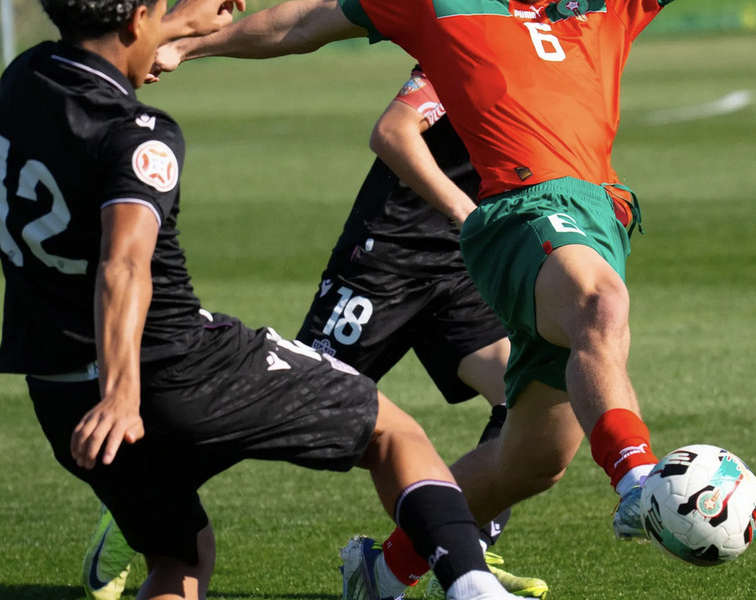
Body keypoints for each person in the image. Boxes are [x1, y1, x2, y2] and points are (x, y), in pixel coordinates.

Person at [0, 1, 523, 599]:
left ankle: (455, 551)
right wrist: (121, 392)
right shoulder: (142, 139)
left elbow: (128, 35)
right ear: (137, 19)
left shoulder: (23, 78)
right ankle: (467, 584)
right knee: (391, 432)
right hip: (168, 369)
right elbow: (125, 265)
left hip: (58, 391)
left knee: (182, 561)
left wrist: (186, 25)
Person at [151, 0, 677, 596]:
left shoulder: (600, 10)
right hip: (509, 217)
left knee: (534, 461)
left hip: (586, 222)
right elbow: (304, 24)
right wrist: (182, 45)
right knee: (598, 305)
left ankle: (383, 571)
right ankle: (640, 484)